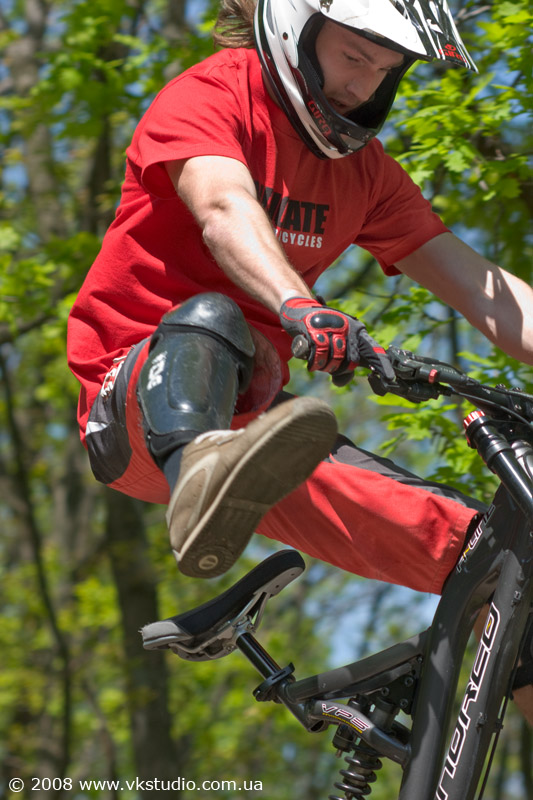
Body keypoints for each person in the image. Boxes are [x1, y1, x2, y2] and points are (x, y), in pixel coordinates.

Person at [67, 0, 533, 713]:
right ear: (297, 30)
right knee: (215, 319)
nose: (362, 87)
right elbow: (222, 206)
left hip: (261, 435)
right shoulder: (213, 95)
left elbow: (488, 293)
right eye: (353, 58)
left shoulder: (367, 177)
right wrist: (299, 306)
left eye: (383, 73)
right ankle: (200, 471)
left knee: (487, 561)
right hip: (135, 399)